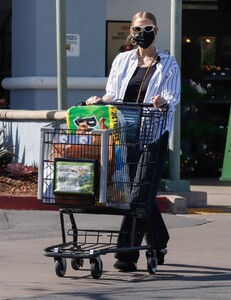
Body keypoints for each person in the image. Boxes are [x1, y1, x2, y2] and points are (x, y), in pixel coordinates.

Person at [86, 11, 181, 271]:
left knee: (140, 193)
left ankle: (126, 255)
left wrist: (163, 100)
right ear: (131, 31)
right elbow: (112, 94)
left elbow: (172, 96)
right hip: (126, 135)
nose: (142, 33)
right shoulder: (122, 60)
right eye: (137, 29)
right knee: (137, 194)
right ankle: (159, 241)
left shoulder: (168, 63)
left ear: (156, 31)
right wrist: (99, 100)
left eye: (147, 28)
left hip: (153, 134)